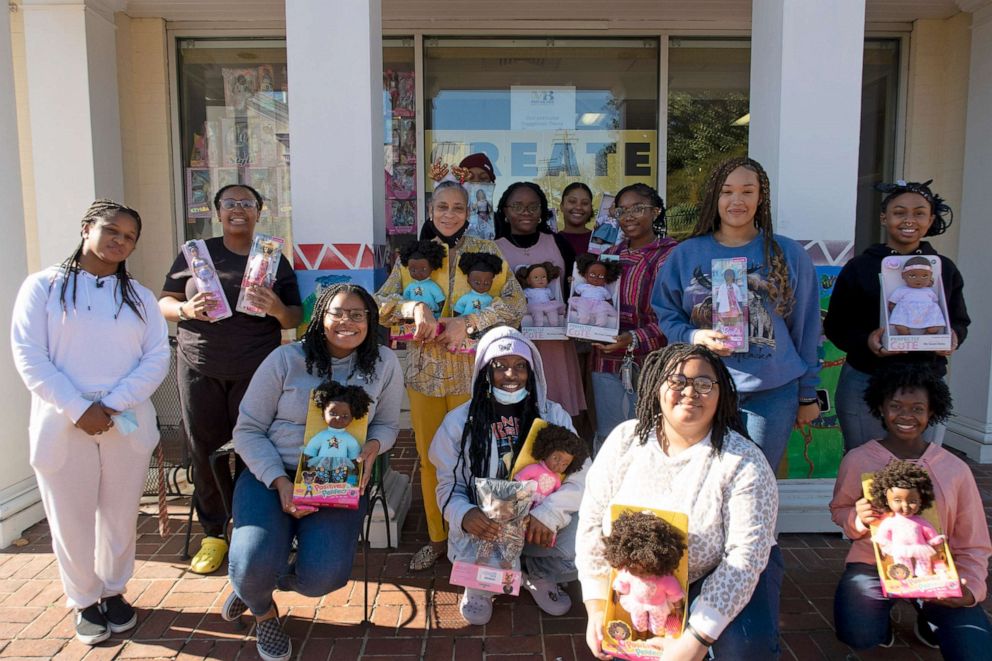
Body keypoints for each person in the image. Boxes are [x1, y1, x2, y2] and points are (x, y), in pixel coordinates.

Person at [11, 200, 170, 645]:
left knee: (119, 515)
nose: (120, 241)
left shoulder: (139, 297)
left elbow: (157, 356)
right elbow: (28, 355)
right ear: (86, 229)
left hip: (126, 420)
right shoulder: (42, 287)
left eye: (130, 237)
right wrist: (78, 407)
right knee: (70, 517)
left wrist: (114, 403)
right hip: (62, 420)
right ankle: (84, 599)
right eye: (112, 231)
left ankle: (115, 590)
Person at [224, 284, 403, 661]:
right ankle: (262, 608)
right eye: (338, 312)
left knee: (324, 576)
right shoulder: (285, 359)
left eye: (358, 315)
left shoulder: (385, 363)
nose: (347, 322)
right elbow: (248, 429)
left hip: (337, 479)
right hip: (272, 475)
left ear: (370, 322)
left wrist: (372, 449)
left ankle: (258, 582)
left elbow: (386, 425)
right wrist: (281, 481)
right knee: (251, 561)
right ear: (321, 317)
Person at [577, 344, 781, 660]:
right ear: (657, 387)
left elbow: (745, 556)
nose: (690, 392)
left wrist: (695, 640)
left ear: (721, 394)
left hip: (715, 571)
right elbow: (591, 520)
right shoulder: (624, 440)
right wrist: (597, 606)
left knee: (742, 647)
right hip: (640, 580)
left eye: (704, 383)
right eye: (677, 381)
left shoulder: (744, 461)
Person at [375, 180, 526, 571]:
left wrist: (470, 322)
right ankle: (438, 537)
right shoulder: (412, 256)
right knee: (430, 459)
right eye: (441, 206)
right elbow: (379, 304)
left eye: (457, 208)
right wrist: (412, 309)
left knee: (477, 454)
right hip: (425, 375)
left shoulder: (487, 251)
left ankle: (479, 538)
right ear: (430, 210)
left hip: (473, 376)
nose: (449, 214)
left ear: (470, 212)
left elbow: (515, 304)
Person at [159, 184, 303, 575]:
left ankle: (252, 525)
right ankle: (214, 532)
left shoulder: (272, 257)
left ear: (259, 212)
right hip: (199, 365)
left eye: (247, 204)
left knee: (252, 447)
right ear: (217, 211)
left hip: (257, 370)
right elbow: (164, 302)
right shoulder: (196, 254)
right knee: (204, 449)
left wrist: (276, 308)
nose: (238, 210)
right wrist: (186, 307)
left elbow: (296, 317)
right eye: (230, 204)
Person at [652, 157, 820, 470]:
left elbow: (807, 327)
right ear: (714, 197)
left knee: (756, 478)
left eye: (747, 191)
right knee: (701, 477)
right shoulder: (686, 254)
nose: (736, 200)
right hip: (701, 389)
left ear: (761, 198)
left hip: (771, 394)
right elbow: (666, 313)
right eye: (727, 192)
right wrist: (694, 335)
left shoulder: (789, 254)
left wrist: (808, 393)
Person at [429, 327, 591, 624]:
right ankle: (480, 586)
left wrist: (549, 514)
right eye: (499, 366)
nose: (510, 374)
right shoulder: (459, 422)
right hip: (488, 522)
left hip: (536, 519)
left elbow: (579, 475)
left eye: (520, 366)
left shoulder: (553, 416)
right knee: (483, 533)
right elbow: (448, 483)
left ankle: (538, 573)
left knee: (583, 536)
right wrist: (464, 513)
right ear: (484, 372)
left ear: (532, 372)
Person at [829, 363, 992, 657]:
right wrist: (857, 519)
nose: (906, 415)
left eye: (917, 408)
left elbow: (974, 543)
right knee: (858, 629)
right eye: (895, 406)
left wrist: (970, 592)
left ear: (932, 412)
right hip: (875, 567)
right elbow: (840, 509)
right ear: (880, 407)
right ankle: (881, 622)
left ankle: (927, 617)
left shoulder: (955, 470)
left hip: (939, 572)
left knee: (976, 651)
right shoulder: (858, 460)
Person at [824, 179, 967, 451]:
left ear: (931, 219)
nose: (908, 220)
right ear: (884, 217)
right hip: (865, 377)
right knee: (866, 464)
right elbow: (837, 325)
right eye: (899, 212)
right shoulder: (860, 267)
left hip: (927, 379)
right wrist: (868, 341)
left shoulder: (944, 270)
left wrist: (953, 337)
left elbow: (959, 319)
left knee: (920, 470)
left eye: (919, 213)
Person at [590, 184, 679, 447]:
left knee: (653, 438)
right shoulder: (608, 256)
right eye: (622, 210)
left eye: (638, 208)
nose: (628, 216)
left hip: (652, 363)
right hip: (605, 359)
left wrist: (634, 337)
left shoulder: (671, 255)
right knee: (611, 440)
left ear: (656, 211)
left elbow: (676, 315)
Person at [495, 181, 586, 418]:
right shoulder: (493, 248)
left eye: (533, 206)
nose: (526, 212)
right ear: (505, 211)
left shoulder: (558, 243)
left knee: (559, 417)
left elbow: (577, 289)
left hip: (556, 344)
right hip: (514, 345)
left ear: (542, 211)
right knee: (515, 415)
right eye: (517, 206)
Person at [559, 182, 595, 256]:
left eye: (585, 203)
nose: (578, 207)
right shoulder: (552, 241)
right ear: (561, 206)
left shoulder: (598, 241)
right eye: (572, 201)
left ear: (591, 208)